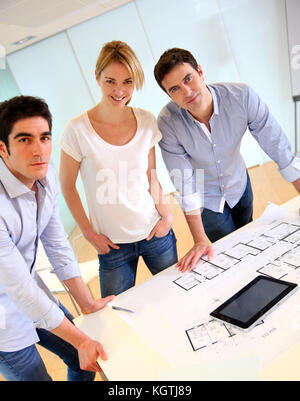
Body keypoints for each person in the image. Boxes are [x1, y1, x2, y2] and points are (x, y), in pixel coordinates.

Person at [154, 47, 300, 272]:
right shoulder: (168, 123)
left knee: (252, 236)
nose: (186, 91)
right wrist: (200, 239)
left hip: (239, 184)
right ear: (169, 95)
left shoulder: (241, 96)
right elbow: (184, 181)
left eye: (188, 78)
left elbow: (276, 144)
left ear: (200, 71)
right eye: (174, 89)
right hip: (207, 201)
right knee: (234, 252)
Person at [0, 95, 114, 381]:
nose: (39, 150)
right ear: (3, 148)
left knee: (84, 360)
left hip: (29, 290)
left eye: (44, 138)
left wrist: (86, 302)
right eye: (24, 140)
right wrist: (80, 340)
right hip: (3, 319)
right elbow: (18, 289)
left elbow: (57, 244)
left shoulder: (45, 177)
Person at [59, 41, 177, 298]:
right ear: (97, 78)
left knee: (176, 297)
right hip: (112, 247)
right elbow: (67, 187)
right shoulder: (77, 130)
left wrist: (166, 217)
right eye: (111, 81)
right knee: (116, 313)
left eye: (128, 81)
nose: (120, 90)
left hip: (154, 232)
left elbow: (151, 176)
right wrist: (89, 234)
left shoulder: (146, 121)